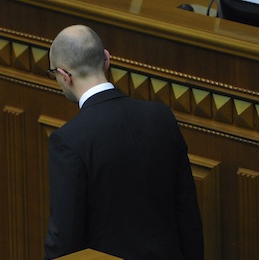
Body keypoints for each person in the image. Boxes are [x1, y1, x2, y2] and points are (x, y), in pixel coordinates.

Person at [44, 25, 204, 259]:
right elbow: (187, 212)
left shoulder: (69, 141)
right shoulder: (160, 117)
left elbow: (65, 237)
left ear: (64, 75)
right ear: (107, 59)